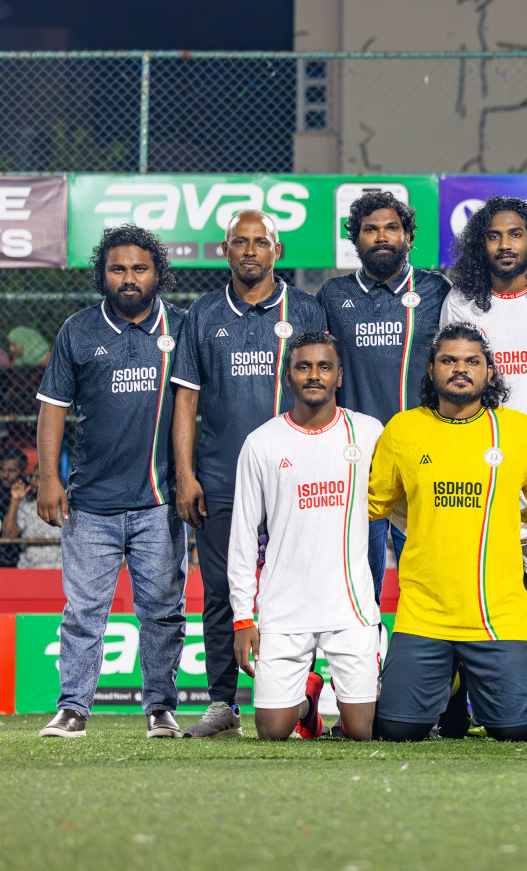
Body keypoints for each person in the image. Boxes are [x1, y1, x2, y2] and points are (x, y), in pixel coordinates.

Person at [169, 210, 327, 740]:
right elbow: (185, 399)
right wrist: (185, 475)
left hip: (298, 477)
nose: (251, 250)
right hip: (220, 476)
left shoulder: (306, 308)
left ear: (277, 251)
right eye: (241, 241)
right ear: (225, 250)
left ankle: (306, 691)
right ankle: (221, 705)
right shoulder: (203, 314)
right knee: (221, 590)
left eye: (261, 242)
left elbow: (326, 392)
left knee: (300, 585)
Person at [367, 324, 527, 742]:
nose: (460, 368)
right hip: (424, 614)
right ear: (431, 370)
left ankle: (464, 678)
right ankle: (451, 679)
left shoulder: (515, 429)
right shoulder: (402, 429)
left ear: (489, 371)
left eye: (472, 361)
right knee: (396, 730)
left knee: (518, 732)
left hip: (498, 618)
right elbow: (372, 505)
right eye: (448, 360)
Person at [34, 226, 188, 739]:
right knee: (83, 614)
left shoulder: (182, 328)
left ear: (157, 273)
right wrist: (48, 480)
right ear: (103, 274)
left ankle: (161, 707)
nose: (128, 278)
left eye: (139, 268)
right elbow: (53, 409)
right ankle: (74, 707)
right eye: (118, 269)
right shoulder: (78, 330)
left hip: (159, 503)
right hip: (91, 503)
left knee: (163, 612)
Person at [229, 332, 382, 741]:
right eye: (303, 366)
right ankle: (306, 704)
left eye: (324, 367)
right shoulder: (261, 443)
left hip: (350, 608)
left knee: (361, 731)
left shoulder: (368, 434)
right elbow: (242, 537)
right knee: (272, 733)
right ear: (287, 377)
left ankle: (340, 697)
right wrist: (244, 617)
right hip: (283, 608)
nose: (314, 375)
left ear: (339, 376)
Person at [441, 196, 527, 645]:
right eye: (494, 235)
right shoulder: (461, 301)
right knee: (477, 581)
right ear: (481, 244)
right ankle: (473, 705)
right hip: (480, 464)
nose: (505, 244)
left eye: (515, 234)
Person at [318, 191, 450, 597]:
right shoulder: (332, 295)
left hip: (423, 457)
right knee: (359, 584)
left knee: (426, 585)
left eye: (391, 228)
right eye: (369, 229)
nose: (381, 237)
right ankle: (364, 660)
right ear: (355, 239)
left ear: (408, 235)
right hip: (357, 462)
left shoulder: (437, 291)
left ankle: (426, 661)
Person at [3, 446, 56, 569]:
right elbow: (8, 535)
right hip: (29, 566)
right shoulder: (26, 504)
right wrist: (15, 501)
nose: (32, 481)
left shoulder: (66, 501)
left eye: (37, 477)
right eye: (31, 477)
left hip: (57, 566)